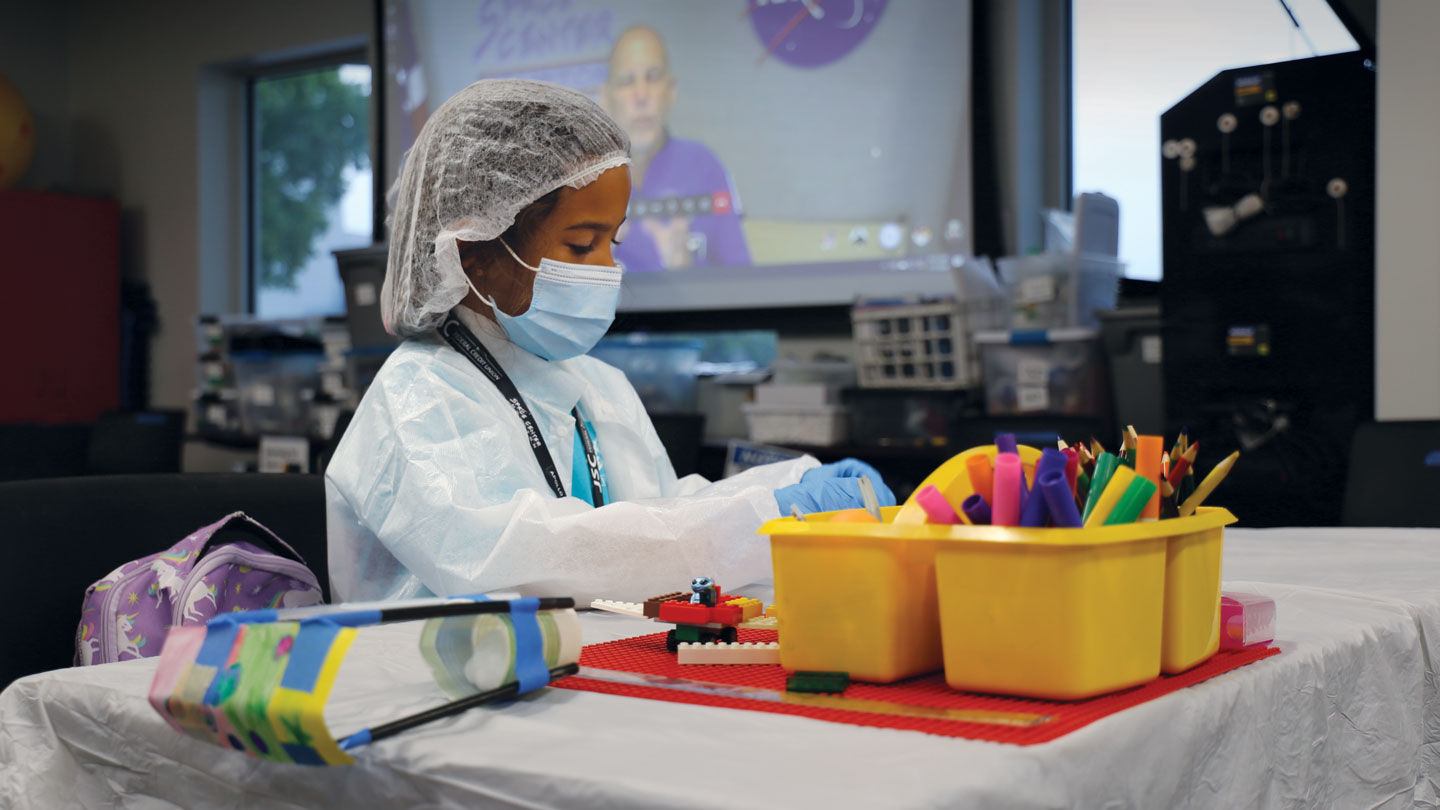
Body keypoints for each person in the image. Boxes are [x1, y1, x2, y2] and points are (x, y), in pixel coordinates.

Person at [325, 79, 892, 604]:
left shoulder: (595, 386)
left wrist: (789, 483)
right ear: (474, 256)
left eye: (613, 241)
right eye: (580, 246)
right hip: (437, 695)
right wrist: (768, 516)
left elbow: (655, 518)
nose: (608, 269)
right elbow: (526, 561)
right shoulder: (417, 401)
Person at [601, 26, 751, 272]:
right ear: (605, 99)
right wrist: (590, 267)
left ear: (671, 91)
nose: (641, 95)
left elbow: (745, 283)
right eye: (627, 81)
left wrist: (684, 273)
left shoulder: (705, 166)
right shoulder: (583, 182)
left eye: (653, 77)